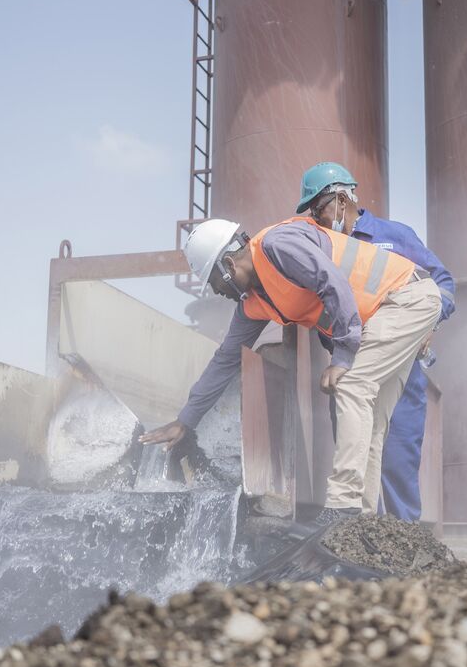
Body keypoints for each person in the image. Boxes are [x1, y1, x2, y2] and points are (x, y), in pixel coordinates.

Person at [140, 215, 441, 528]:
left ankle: (342, 504)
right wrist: (185, 420)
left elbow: (331, 282)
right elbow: (225, 359)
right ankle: (361, 522)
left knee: (352, 386)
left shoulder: (278, 245)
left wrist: (343, 353)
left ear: (228, 266)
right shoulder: (254, 302)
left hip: (405, 298)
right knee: (374, 417)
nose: (217, 293)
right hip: (390, 310)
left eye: (214, 285)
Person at [297, 161, 456, 521]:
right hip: (350, 365)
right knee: (358, 453)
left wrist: (429, 323)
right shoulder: (321, 247)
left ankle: (405, 552)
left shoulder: (395, 236)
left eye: (317, 209)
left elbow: (443, 283)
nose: (316, 219)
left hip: (399, 366)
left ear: (340, 199)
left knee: (398, 463)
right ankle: (363, 549)